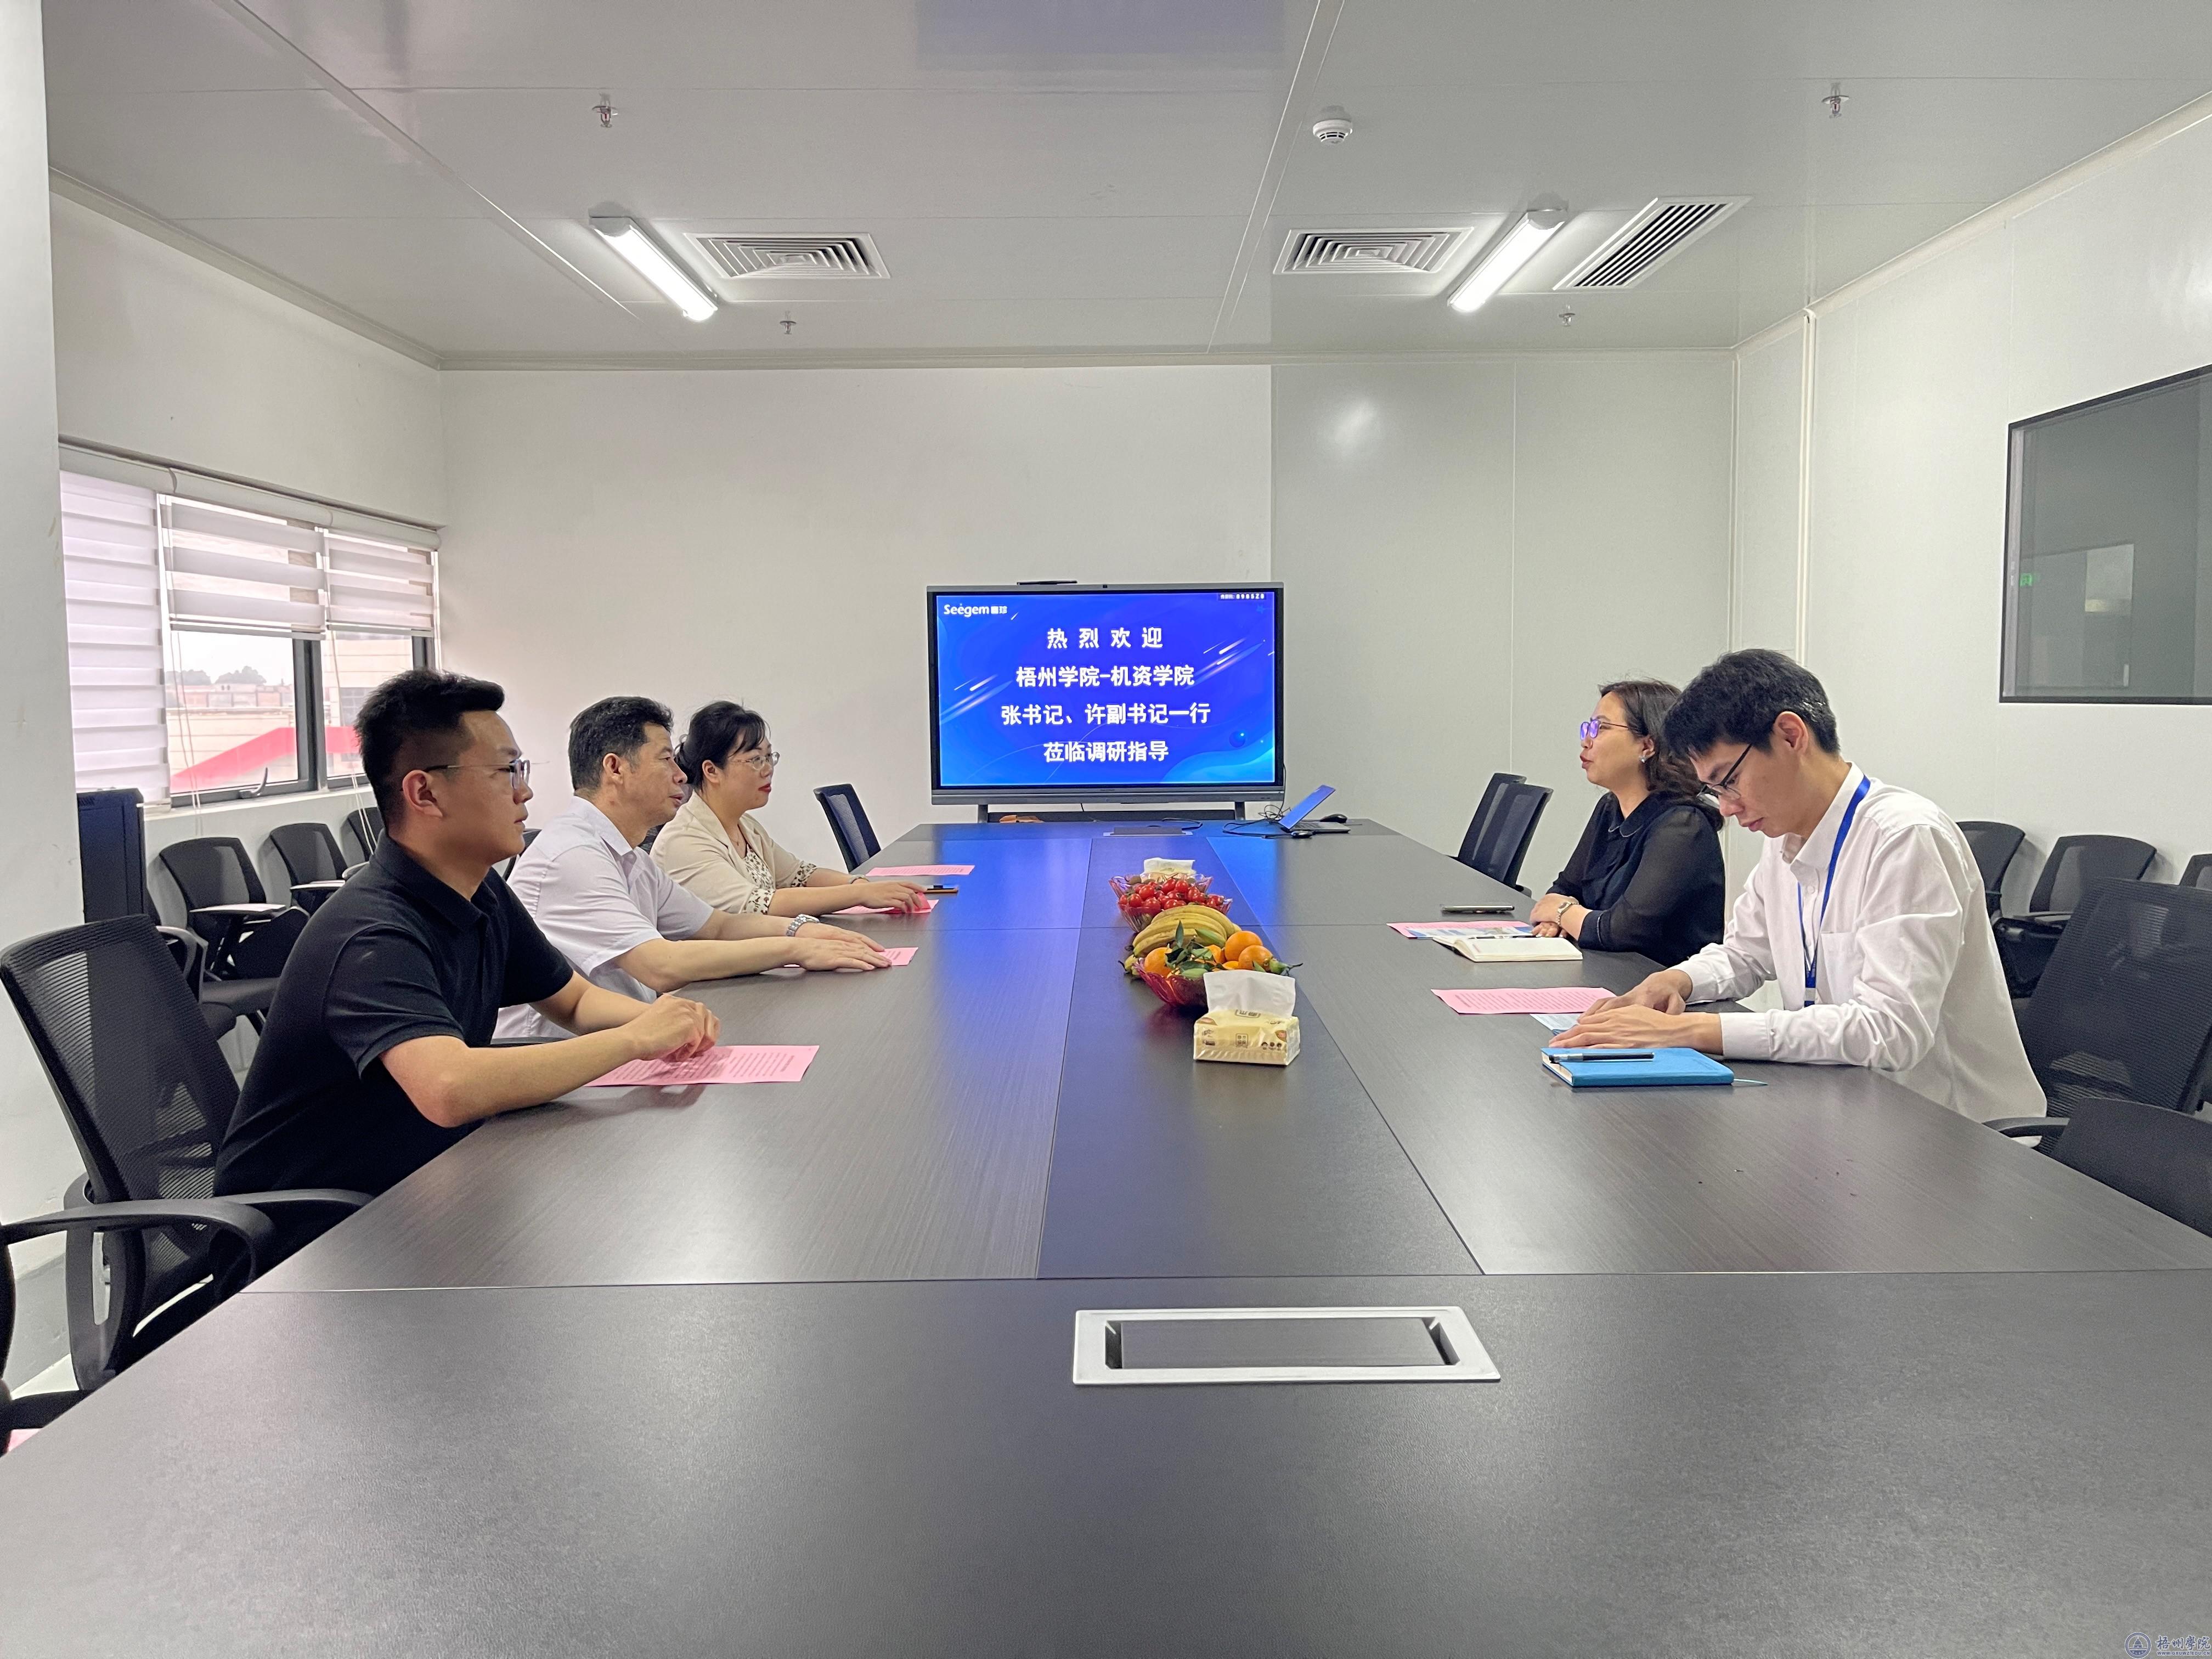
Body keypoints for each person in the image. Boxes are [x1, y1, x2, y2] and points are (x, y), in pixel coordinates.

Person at [215, 669, 721, 1268]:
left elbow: (574, 1001)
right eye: (507, 772)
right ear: (425, 794)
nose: (525, 793)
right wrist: (635, 1041)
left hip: (418, 1193)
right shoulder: (371, 933)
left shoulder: (479, 893)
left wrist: (665, 1022)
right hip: (308, 1249)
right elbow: (449, 1089)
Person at [1557, 649, 2040, 1121]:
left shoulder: (1904, 838)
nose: (1726, 808)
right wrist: (1675, 981)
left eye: (1728, 780)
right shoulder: (1785, 838)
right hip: (1843, 1103)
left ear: (1791, 736)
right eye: (1713, 790)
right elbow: (1745, 954)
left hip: (1950, 1130)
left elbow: (1890, 1030)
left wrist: (1694, 1031)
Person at [495, 697, 889, 1042]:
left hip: (627, 1039)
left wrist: (801, 930)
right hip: (560, 1057)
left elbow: (718, 926)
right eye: (665, 759)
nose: (681, 775)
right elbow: (661, 966)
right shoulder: (573, 855)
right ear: (615, 768)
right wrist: (797, 949)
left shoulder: (629, 855)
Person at [652, 700, 928, 919]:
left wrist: (860, 885)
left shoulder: (746, 826)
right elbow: (759, 905)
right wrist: (859, 896)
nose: (768, 770)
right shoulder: (684, 841)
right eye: (755, 760)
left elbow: (800, 875)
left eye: (769, 757)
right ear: (712, 771)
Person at [1528, 679, 1723, 964]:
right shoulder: (1609, 808)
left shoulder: (1683, 825)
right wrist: (1562, 914)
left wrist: (1561, 913)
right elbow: (1565, 889)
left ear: (1647, 745)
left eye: (1601, 728)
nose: (1586, 741)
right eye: (1588, 728)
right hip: (1603, 969)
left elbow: (1622, 930)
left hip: (1658, 983)